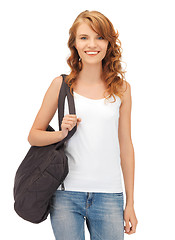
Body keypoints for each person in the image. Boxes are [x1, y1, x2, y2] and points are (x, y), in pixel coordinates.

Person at [28, 10, 138, 240]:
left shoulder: (121, 89)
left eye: (100, 37)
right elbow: (34, 136)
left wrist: (130, 203)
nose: (92, 44)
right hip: (66, 195)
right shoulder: (60, 85)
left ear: (109, 43)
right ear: (75, 44)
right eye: (84, 37)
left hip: (110, 195)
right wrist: (61, 133)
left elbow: (126, 147)